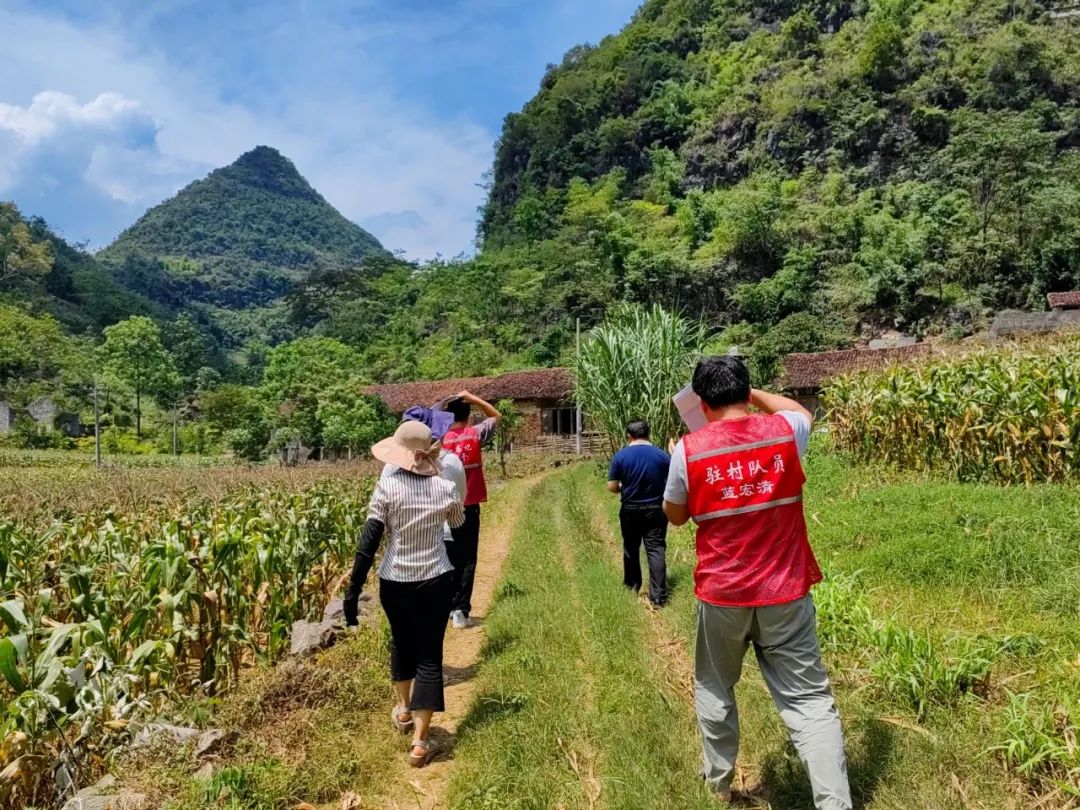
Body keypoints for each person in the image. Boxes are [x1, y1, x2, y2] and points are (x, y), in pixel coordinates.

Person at [663, 355, 851, 809]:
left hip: (723, 594)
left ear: (701, 404)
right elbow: (800, 411)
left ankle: (719, 786)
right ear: (747, 395)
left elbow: (676, 517)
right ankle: (835, 804)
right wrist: (755, 393)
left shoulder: (690, 451)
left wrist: (677, 459)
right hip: (786, 590)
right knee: (809, 702)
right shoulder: (787, 432)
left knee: (715, 687)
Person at [343, 421, 465, 768]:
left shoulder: (388, 486)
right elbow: (458, 527)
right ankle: (421, 743)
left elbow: (369, 541)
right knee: (429, 656)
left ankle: (403, 710)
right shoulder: (444, 487)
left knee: (400, 641)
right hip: (435, 578)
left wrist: (353, 590)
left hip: (395, 580)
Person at [441, 390, 501, 629]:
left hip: (443, 507)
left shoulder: (440, 439)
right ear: (468, 415)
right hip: (469, 504)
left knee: (447, 556)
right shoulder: (474, 434)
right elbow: (496, 415)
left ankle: (447, 605)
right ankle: (460, 610)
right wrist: (473, 398)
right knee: (467, 558)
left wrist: (445, 403)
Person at [607, 420, 670, 607]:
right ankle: (658, 596)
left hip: (630, 510)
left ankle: (632, 587)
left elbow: (612, 486)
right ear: (648, 434)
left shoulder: (621, 456)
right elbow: (673, 481)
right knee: (656, 548)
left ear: (629, 436)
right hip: (656, 509)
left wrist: (623, 488)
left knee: (631, 548)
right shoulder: (662, 455)